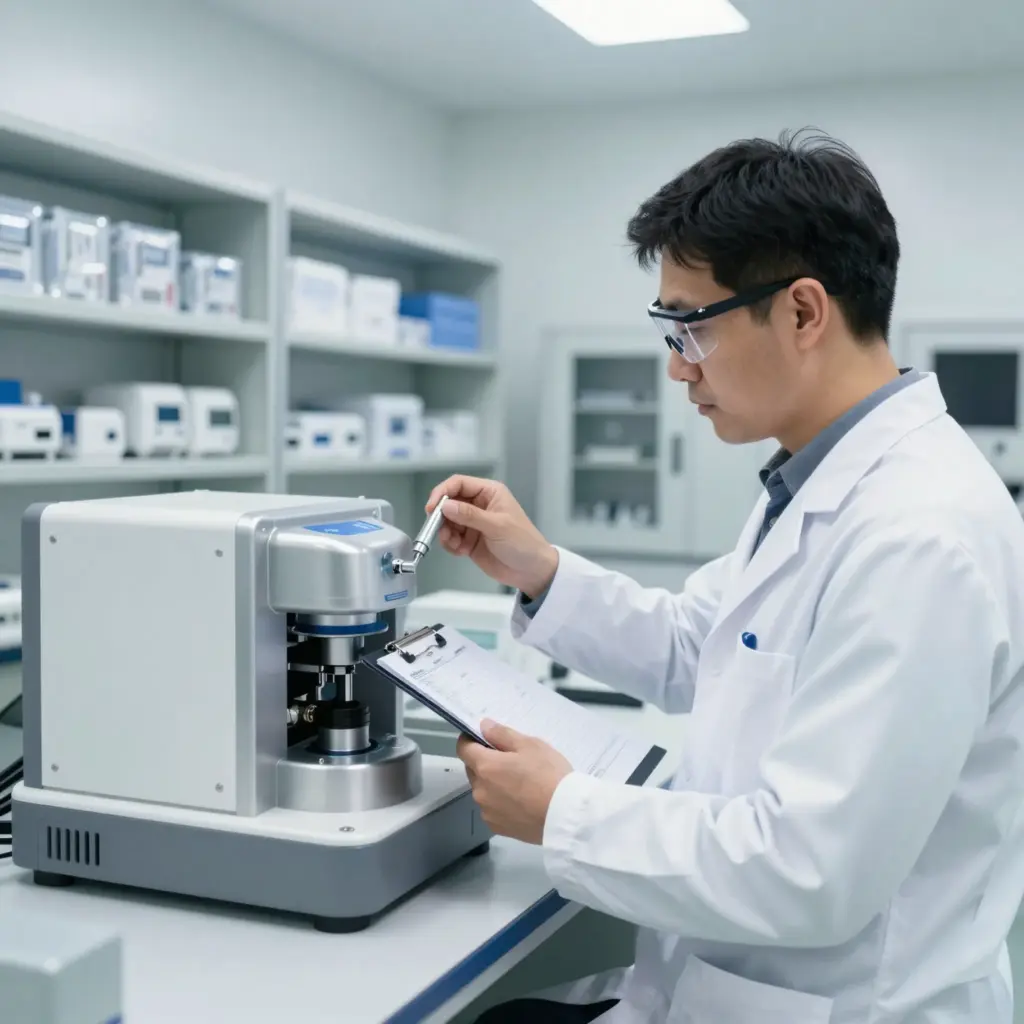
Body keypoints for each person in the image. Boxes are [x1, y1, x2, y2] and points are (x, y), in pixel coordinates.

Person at [425, 131, 1024, 1024]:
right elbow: (700, 643)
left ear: (803, 312)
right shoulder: (817, 478)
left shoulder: (918, 535)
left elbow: (810, 870)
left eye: (690, 326)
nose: (676, 366)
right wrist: (541, 570)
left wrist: (564, 810)